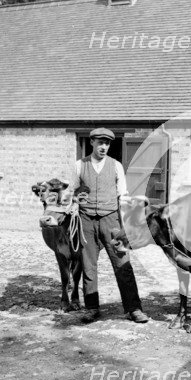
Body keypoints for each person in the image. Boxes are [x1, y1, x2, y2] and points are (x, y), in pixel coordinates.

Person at [71, 128, 149, 324]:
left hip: (110, 221)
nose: (103, 147)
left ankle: (133, 309)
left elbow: (123, 195)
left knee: (123, 264)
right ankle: (92, 308)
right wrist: (74, 206)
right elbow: (72, 192)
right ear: (92, 143)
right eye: (100, 143)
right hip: (86, 221)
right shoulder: (79, 166)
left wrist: (126, 226)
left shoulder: (116, 166)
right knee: (88, 266)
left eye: (107, 143)